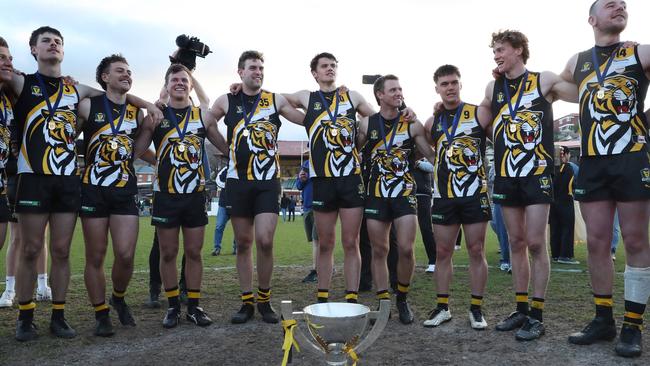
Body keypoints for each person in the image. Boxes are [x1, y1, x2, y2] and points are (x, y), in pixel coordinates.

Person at [6, 26, 160, 342]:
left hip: (67, 181)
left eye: (58, 41)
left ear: (64, 51)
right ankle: (26, 316)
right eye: (46, 41)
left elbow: (117, 94)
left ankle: (58, 316)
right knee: (31, 248)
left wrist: (151, 105)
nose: (53, 45)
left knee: (61, 250)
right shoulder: (22, 82)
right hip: (32, 177)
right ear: (33, 49)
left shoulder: (77, 90)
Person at [563, 0, 650, 357]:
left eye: (624, 5)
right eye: (610, 4)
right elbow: (549, 91)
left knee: (634, 240)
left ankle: (633, 325)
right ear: (592, 19)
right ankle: (603, 319)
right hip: (593, 161)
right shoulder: (577, 61)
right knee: (598, 243)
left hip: (631, 158)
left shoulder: (641, 52)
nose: (620, 7)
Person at [480, 29, 577, 341]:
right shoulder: (493, 86)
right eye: (494, 51)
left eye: (501, 49)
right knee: (516, 242)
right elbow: (483, 111)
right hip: (507, 174)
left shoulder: (543, 80)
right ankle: (520, 308)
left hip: (537, 173)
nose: (496, 55)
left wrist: (578, 69)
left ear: (519, 50)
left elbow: (578, 92)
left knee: (536, 242)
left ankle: (537, 313)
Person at [209, 50, 305, 324]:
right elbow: (205, 123)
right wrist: (225, 149)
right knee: (244, 244)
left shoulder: (274, 100)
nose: (258, 72)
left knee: (264, 240)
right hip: (238, 182)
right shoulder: (226, 100)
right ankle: (246, 301)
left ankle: (264, 299)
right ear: (240, 71)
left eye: (261, 68)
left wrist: (328, 99)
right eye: (252, 68)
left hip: (267, 181)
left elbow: (307, 118)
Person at [75, 54, 158, 336]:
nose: (126, 74)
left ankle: (118, 298)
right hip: (93, 189)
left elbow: (138, 149)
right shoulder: (89, 105)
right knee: (95, 255)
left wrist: (149, 117)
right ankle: (100, 313)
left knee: (125, 254)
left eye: (129, 71)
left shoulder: (137, 112)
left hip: (124, 189)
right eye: (119, 71)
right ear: (105, 77)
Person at [139, 63, 226, 329]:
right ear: (166, 86)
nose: (179, 83)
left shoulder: (203, 116)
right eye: (174, 79)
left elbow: (223, 146)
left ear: (191, 85)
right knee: (168, 252)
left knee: (193, 252)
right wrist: (158, 162)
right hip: (165, 194)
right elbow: (140, 148)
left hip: (194, 195)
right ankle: (173, 306)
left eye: (184, 80)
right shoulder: (156, 115)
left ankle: (195, 306)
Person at [357, 74, 436, 324]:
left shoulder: (411, 124)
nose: (398, 92)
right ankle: (382, 303)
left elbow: (432, 155)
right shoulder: (366, 124)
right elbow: (352, 153)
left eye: (400, 89)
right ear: (380, 94)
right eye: (393, 89)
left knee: (406, 248)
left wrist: (424, 122)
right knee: (379, 250)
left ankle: (402, 298)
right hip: (376, 194)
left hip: (404, 194)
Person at [422, 65, 492, 330]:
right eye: (444, 84)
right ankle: (442, 307)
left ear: (461, 84)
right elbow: (430, 150)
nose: (449, 87)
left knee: (476, 250)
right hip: (444, 196)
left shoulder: (479, 113)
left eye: (454, 82)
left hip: (475, 193)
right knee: (443, 252)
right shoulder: (433, 122)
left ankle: (476, 308)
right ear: (437, 88)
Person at [549, 146, 579, 265]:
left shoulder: (550, 169)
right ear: (565, 155)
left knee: (554, 228)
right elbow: (573, 184)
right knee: (567, 228)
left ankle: (555, 254)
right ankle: (565, 255)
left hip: (552, 203)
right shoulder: (568, 168)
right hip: (566, 201)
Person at [412, 157, 436, 273]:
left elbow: (432, 166)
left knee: (426, 228)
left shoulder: (425, 153)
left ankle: (433, 261)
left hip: (423, 194)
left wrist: (418, 163)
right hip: (405, 193)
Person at [297, 159, 319, 283]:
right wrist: (301, 178)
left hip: (319, 207)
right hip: (307, 207)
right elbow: (299, 185)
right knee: (314, 240)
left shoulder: (322, 160)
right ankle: (326, 267)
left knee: (318, 240)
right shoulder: (305, 164)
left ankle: (316, 270)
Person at [488, 165, 511, 272]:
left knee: (516, 232)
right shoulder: (496, 162)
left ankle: (514, 261)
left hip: (515, 197)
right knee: (501, 230)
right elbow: (491, 178)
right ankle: (505, 260)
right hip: (499, 198)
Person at [212, 166, 237, 256]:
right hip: (223, 203)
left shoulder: (244, 168)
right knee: (219, 226)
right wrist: (227, 185)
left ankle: (237, 248)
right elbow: (218, 179)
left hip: (238, 204)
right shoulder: (227, 168)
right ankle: (216, 248)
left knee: (238, 228)